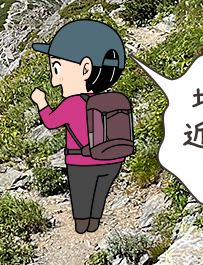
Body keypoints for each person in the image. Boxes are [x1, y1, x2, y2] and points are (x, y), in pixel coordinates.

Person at [30, 19, 131, 234]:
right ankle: (95, 221)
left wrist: (41, 103)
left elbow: (51, 123)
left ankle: (83, 225)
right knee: (100, 191)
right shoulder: (104, 100)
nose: (55, 79)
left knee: (82, 194)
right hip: (114, 157)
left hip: (81, 160)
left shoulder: (72, 103)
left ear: (85, 68)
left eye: (57, 68)